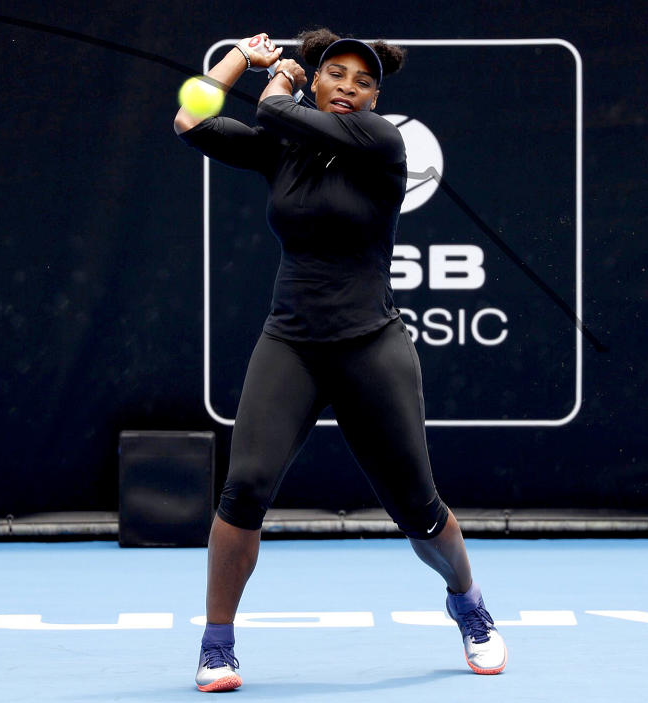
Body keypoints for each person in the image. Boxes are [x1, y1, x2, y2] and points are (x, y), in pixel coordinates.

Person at [174, 28, 507, 692]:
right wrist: (243, 55)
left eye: (364, 79)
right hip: (291, 342)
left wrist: (283, 75)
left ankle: (468, 602)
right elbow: (191, 118)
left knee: (418, 506)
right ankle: (217, 645)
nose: (350, 85)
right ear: (321, 83)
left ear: (376, 96)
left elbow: (270, 110)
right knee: (243, 492)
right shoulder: (284, 148)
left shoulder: (383, 143)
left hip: (371, 346)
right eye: (338, 74)